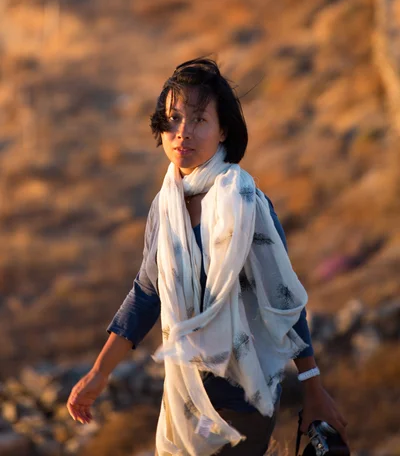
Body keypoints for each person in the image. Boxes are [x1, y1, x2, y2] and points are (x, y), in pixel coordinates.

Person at [67, 58, 349, 456]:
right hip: (188, 395)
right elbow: (147, 295)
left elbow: (283, 300)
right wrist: (99, 373)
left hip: (245, 397)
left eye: (199, 120)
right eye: (173, 120)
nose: (182, 133)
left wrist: (314, 389)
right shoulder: (165, 207)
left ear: (223, 132)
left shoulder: (246, 204)